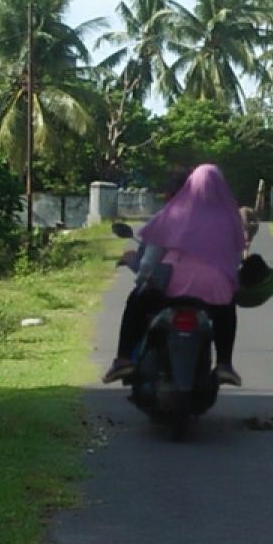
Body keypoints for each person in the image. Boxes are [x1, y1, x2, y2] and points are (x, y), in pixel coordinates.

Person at [103, 164, 247, 386]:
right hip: (214, 291)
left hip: (170, 287)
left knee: (135, 302)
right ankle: (224, 364)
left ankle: (123, 360)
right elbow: (235, 259)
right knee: (227, 310)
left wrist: (143, 279)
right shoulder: (230, 220)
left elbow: (152, 256)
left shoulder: (176, 212)